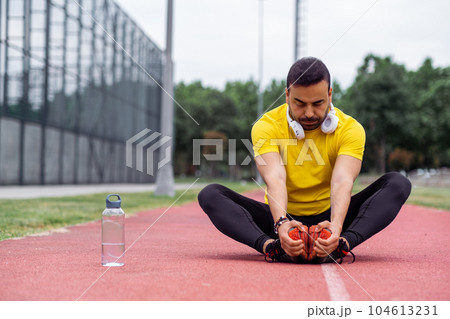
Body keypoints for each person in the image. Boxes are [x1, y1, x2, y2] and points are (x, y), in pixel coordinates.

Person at [198, 57, 411, 264]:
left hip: (330, 216)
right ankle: (273, 248)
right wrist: (281, 224)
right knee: (210, 194)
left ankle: (341, 245)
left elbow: (342, 181)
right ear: (287, 95)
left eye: (318, 103)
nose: (309, 113)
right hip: (280, 216)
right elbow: (275, 178)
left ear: (329, 94)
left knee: (398, 183)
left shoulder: (351, 129)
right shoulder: (266, 126)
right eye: (299, 103)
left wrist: (336, 227)